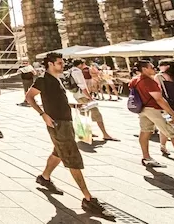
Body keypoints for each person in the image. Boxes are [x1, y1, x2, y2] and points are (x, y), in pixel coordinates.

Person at [25, 52, 114, 219]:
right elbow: (29, 97)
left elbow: (56, 99)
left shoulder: (57, 78)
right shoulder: (42, 80)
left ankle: (44, 178)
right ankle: (88, 199)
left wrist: (72, 105)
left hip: (65, 121)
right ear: (50, 64)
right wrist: (43, 114)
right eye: (59, 63)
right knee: (72, 157)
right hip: (57, 124)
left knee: (58, 152)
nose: (62, 65)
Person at [70, 59, 118, 142]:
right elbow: (82, 86)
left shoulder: (71, 71)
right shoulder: (78, 72)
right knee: (97, 114)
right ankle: (105, 134)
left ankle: (87, 133)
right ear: (81, 64)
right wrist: (90, 97)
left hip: (77, 95)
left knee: (84, 114)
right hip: (84, 95)